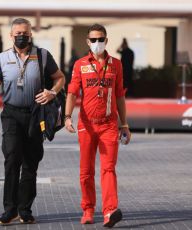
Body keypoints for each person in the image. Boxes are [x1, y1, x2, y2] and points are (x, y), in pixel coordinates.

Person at [0, 18, 65, 225]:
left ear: (30, 35)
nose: (22, 36)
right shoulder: (1, 59)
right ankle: (9, 210)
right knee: (12, 160)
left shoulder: (42, 56)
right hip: (11, 114)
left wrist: (51, 92)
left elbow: (60, 77)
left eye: (25, 33)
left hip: (34, 115)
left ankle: (25, 210)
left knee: (31, 163)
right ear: (11, 35)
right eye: (18, 33)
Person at [65, 24, 131, 228]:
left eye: (100, 39)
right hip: (87, 125)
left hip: (109, 125)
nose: (97, 43)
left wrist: (124, 124)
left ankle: (110, 211)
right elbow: (72, 93)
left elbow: (119, 95)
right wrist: (67, 116)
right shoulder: (80, 65)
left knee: (108, 168)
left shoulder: (116, 65)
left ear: (106, 40)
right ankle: (88, 209)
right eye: (93, 40)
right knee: (86, 171)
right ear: (87, 42)